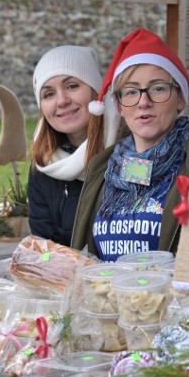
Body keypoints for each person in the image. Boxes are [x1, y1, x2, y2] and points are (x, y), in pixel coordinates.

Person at [71, 28, 189, 262]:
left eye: (158, 88)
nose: (144, 102)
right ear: (119, 106)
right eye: (131, 92)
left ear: (180, 98)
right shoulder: (103, 169)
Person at [28, 45, 120, 245]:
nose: (62, 101)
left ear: (95, 91)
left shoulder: (126, 151)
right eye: (48, 94)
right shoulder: (44, 163)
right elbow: (45, 246)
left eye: (72, 86)